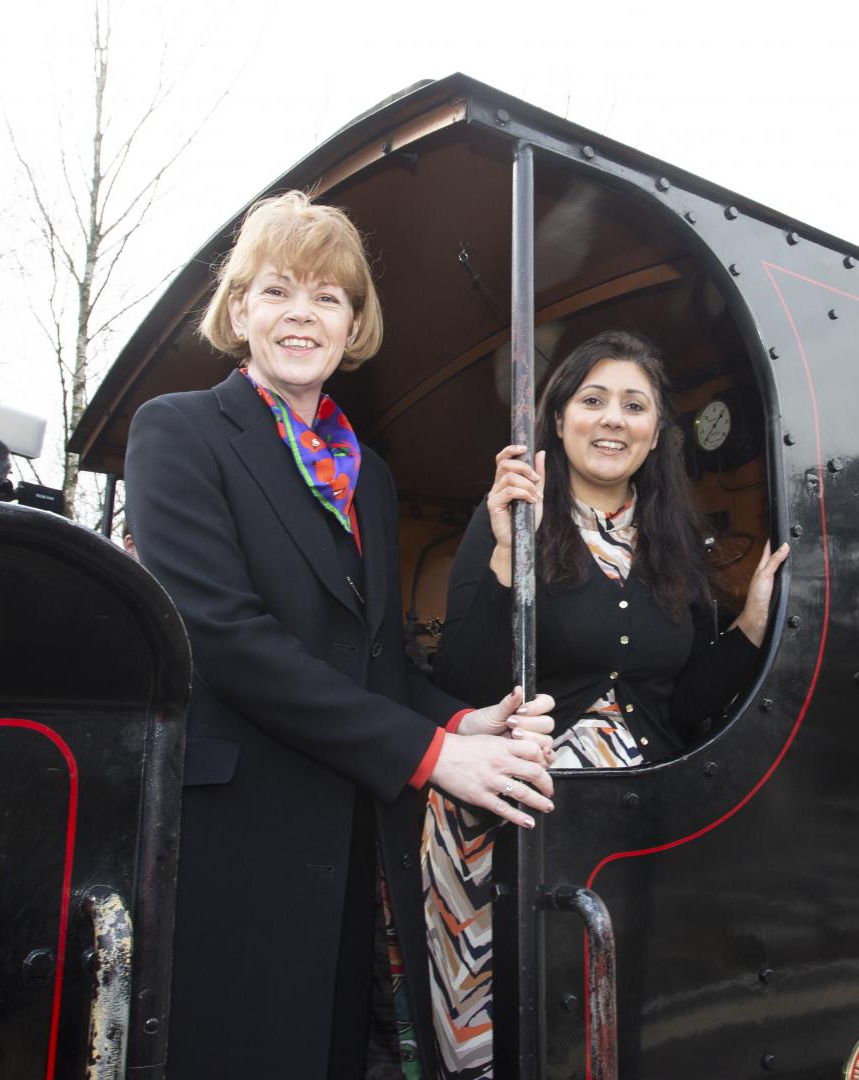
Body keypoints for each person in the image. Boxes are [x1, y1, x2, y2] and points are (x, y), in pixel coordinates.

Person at [123, 191, 558, 1079]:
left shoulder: (370, 476)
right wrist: (430, 755)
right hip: (234, 842)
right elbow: (221, 636)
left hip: (352, 841)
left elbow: (373, 655)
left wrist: (460, 721)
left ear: (354, 324)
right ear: (239, 309)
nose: (301, 315)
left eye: (328, 298)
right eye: (279, 291)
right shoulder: (179, 433)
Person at [425, 329, 788, 1078]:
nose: (612, 419)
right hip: (507, 818)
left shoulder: (674, 543)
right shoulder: (508, 517)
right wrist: (500, 555)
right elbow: (462, 680)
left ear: (657, 434)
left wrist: (752, 627)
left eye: (633, 404)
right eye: (592, 400)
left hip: (638, 819)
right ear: (558, 419)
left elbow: (680, 706)